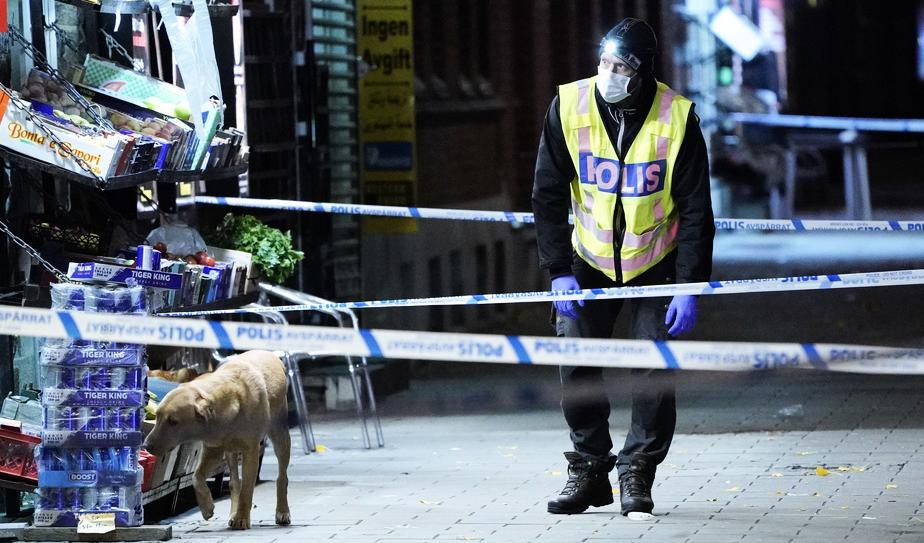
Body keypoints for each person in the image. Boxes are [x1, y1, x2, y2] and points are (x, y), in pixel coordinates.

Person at [531, 18, 714, 516]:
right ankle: (589, 471)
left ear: (643, 71)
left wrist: (689, 287)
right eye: (605, 62)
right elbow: (546, 196)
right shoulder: (569, 106)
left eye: (621, 66)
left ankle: (638, 472)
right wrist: (557, 271)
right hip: (586, 261)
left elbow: (697, 209)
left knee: (652, 371)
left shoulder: (677, 118)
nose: (608, 73)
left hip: (657, 261)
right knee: (577, 363)